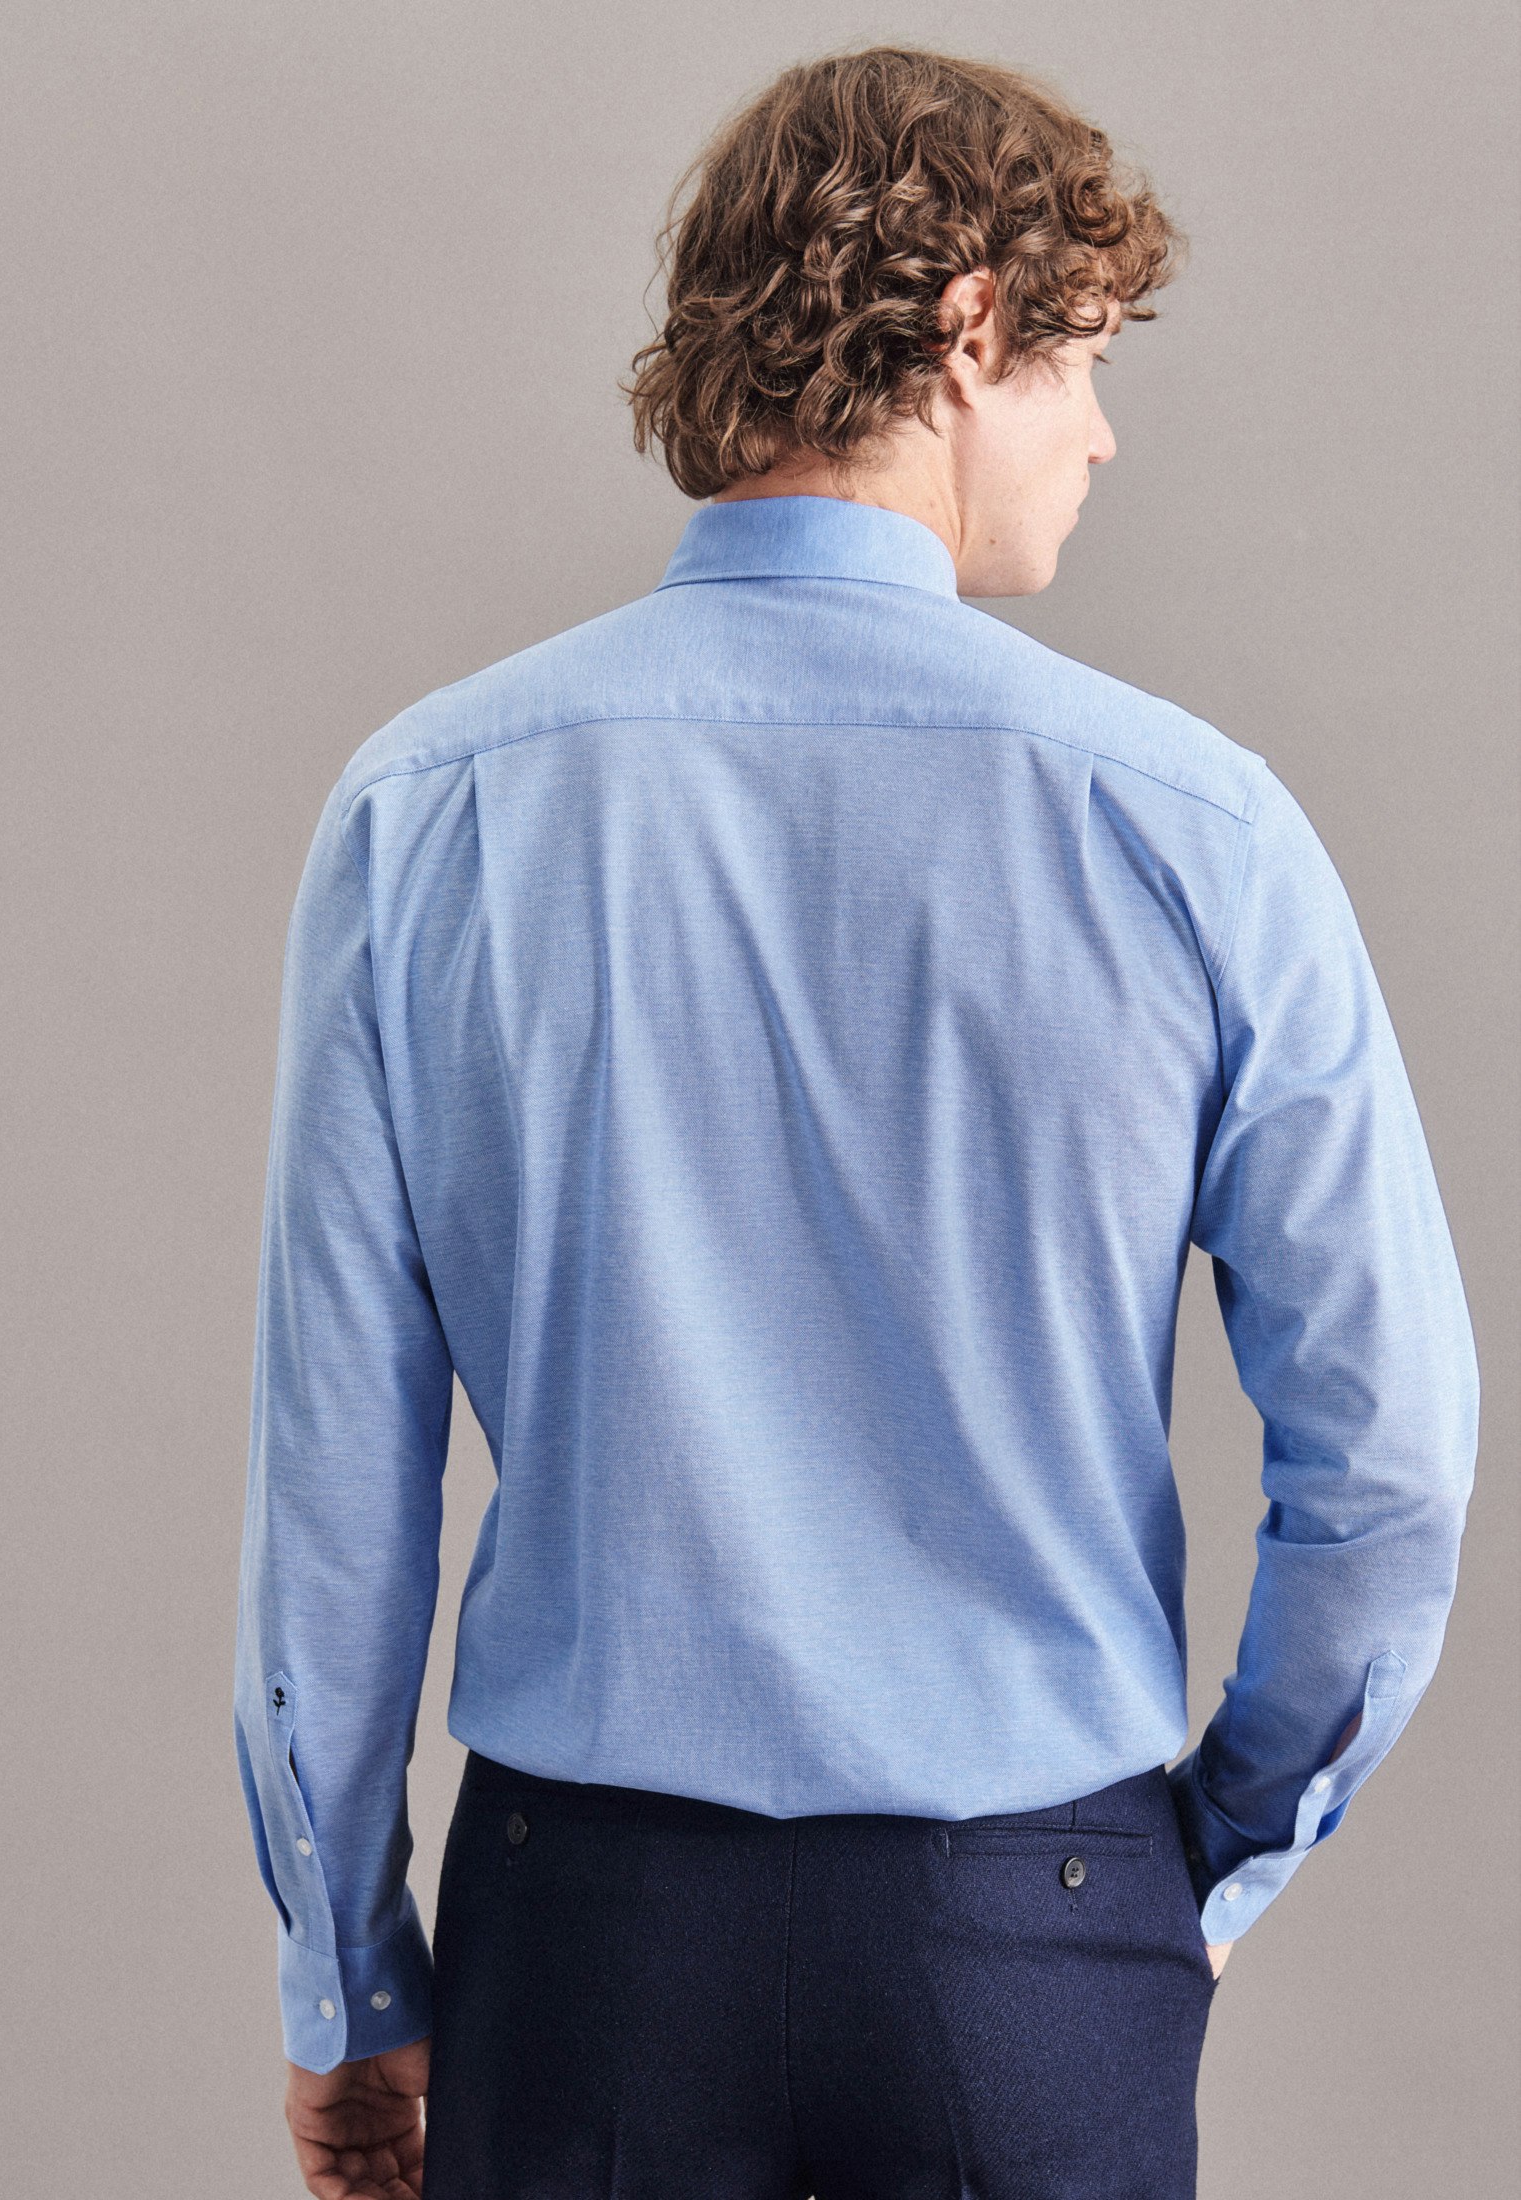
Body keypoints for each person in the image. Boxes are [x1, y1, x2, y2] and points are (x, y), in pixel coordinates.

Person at [232, 42, 1480, 2200]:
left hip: (583, 1946)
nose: (1102, 431)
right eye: (1084, 359)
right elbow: (1396, 1463)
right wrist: (1206, 1853)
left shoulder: (426, 814)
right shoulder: (1196, 831)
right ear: (970, 325)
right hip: (1037, 1938)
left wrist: (349, 1972)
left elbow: (335, 1500)